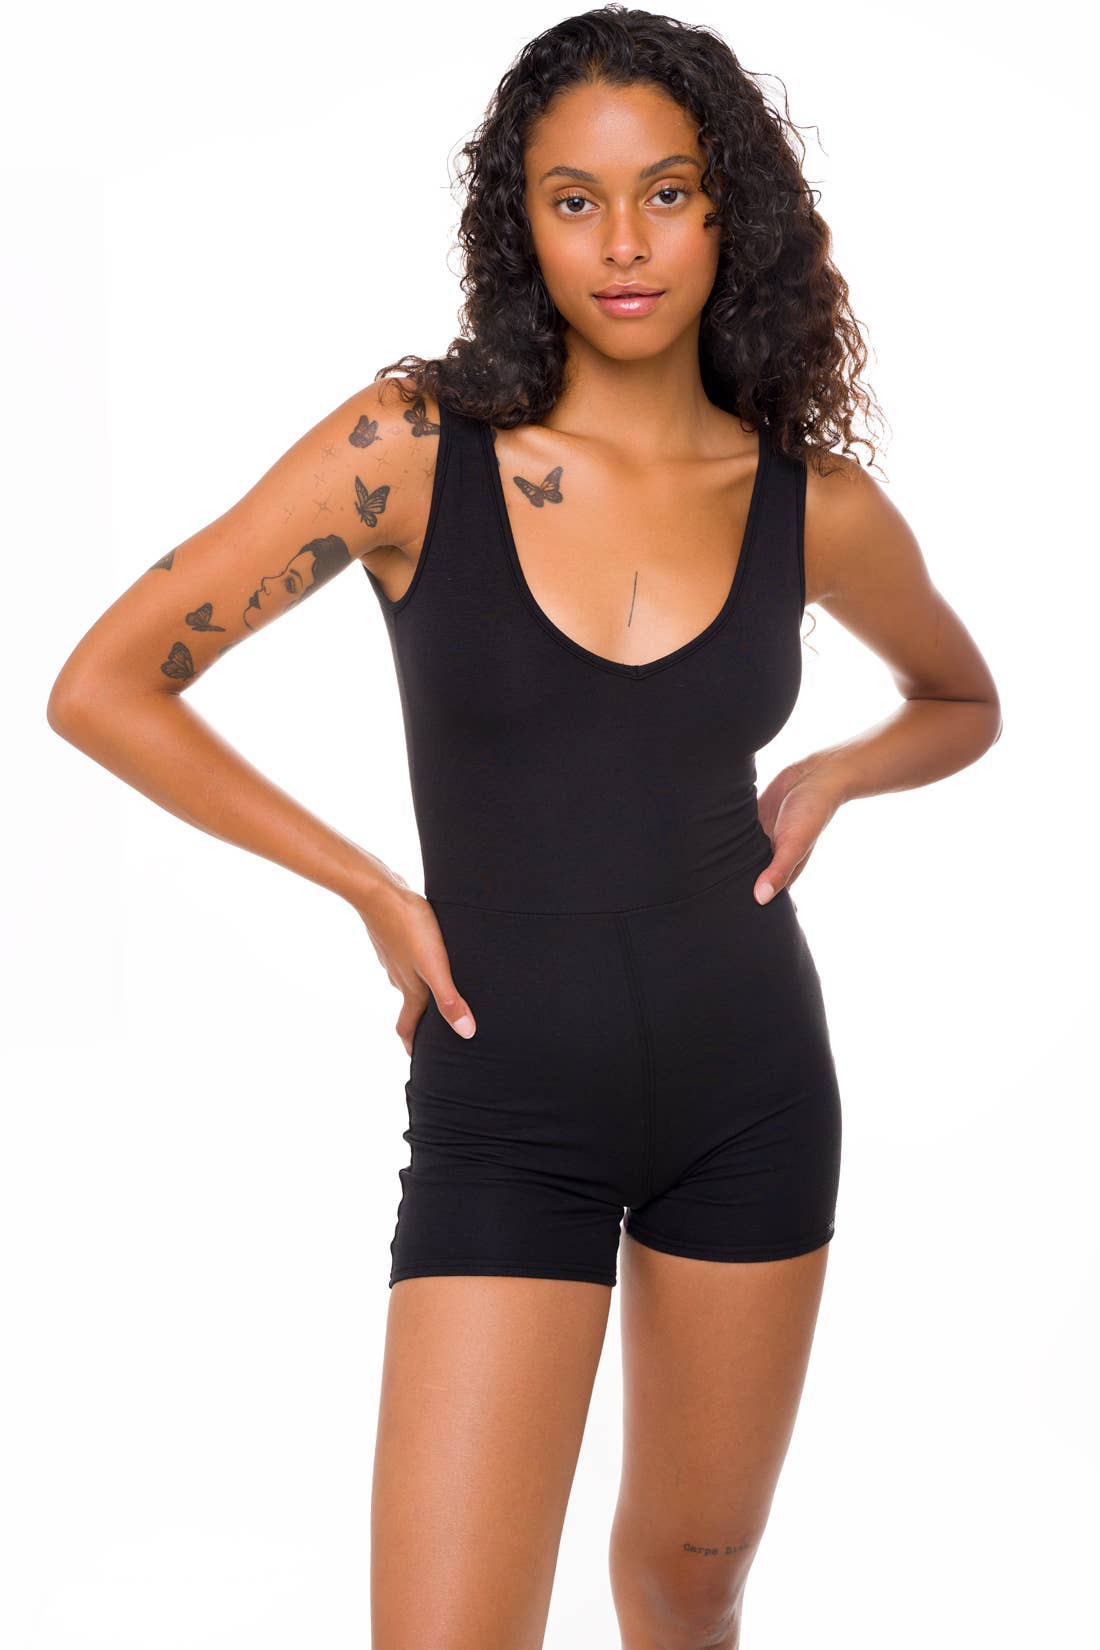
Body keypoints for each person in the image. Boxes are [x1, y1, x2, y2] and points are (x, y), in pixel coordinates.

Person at [47, 7, 1002, 1647]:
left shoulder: (810, 503)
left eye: (667, 193)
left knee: (688, 1586)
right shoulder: (412, 449)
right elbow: (104, 684)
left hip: (754, 1089)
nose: (624, 243)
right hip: (505, 1107)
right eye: (575, 199)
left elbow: (960, 699)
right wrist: (367, 885)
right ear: (522, 222)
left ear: (732, 213)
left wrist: (839, 767)